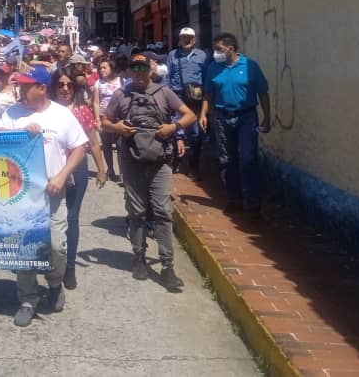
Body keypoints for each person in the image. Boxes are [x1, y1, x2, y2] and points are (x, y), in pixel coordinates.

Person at [101, 52, 201, 291]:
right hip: (131, 160)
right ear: (130, 71)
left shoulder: (164, 92)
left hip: (161, 161)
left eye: (142, 68)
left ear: (150, 70)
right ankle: (139, 258)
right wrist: (117, 128)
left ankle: (167, 266)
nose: (139, 73)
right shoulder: (121, 94)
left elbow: (190, 115)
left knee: (163, 212)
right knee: (137, 211)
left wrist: (173, 127)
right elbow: (104, 120)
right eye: (134, 68)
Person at [0, 65, 88, 328]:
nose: (21, 89)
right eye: (21, 85)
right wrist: (19, 133)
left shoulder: (62, 115)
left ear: (42, 88)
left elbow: (79, 148)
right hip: (20, 194)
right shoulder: (13, 113)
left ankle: (55, 281)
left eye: (27, 85)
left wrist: (61, 176)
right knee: (25, 248)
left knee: (58, 245)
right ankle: (27, 299)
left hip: (53, 192)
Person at [199, 33, 272, 217]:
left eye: (219, 49)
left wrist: (267, 117)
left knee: (248, 160)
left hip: (246, 117)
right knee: (226, 160)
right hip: (222, 117)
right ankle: (234, 199)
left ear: (230, 48)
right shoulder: (213, 68)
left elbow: (263, 92)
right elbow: (208, 93)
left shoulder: (250, 66)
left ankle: (253, 204)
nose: (216, 53)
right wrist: (203, 114)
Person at [51, 71, 107, 290]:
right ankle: (52, 262)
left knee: (72, 217)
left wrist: (102, 169)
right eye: (60, 85)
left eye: (69, 86)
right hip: (51, 169)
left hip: (78, 169)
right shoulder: (46, 111)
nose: (65, 89)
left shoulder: (82, 111)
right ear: (53, 88)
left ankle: (70, 267)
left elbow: (93, 142)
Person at [166, 28, 207, 178]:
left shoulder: (202, 56)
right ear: (180, 39)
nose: (187, 40)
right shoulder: (172, 55)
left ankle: (193, 166)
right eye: (184, 37)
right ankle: (176, 161)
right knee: (177, 130)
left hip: (195, 100)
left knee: (195, 134)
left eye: (190, 37)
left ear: (194, 39)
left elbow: (206, 78)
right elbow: (168, 77)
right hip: (177, 98)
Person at [93, 57, 123, 184]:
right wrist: (97, 120)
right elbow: (95, 102)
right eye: (100, 68)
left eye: (105, 67)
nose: (101, 70)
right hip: (103, 118)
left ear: (112, 68)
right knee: (106, 146)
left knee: (121, 146)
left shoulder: (121, 81)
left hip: (118, 119)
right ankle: (110, 169)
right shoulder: (98, 83)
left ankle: (122, 173)